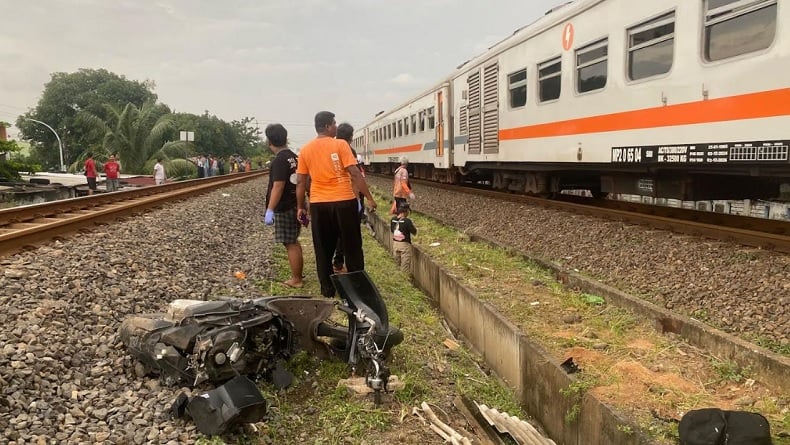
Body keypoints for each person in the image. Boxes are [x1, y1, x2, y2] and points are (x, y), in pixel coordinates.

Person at [296, 111, 377, 299]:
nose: (336, 126)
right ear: (326, 126)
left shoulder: (305, 150)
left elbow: (301, 182)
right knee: (352, 247)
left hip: (318, 204)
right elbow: (355, 174)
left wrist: (301, 206)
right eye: (333, 123)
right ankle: (357, 289)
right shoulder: (340, 144)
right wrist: (369, 198)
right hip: (344, 202)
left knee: (323, 248)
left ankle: (327, 289)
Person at [263, 123, 304, 288]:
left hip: (284, 206)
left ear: (269, 141)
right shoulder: (294, 157)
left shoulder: (279, 160)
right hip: (294, 203)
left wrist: (270, 209)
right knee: (294, 240)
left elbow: (278, 186)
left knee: (289, 243)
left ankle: (296, 279)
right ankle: (298, 274)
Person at [332, 122, 367, 273]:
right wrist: (360, 199)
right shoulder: (348, 150)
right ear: (351, 137)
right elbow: (354, 176)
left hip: (334, 197)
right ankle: (344, 264)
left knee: (338, 232)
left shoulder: (331, 148)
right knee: (349, 234)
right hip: (349, 197)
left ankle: (338, 262)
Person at [390, 202, 417, 273]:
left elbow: (392, 230)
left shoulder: (393, 219)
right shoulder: (407, 221)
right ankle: (404, 279)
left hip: (395, 244)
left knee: (396, 265)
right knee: (404, 268)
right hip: (404, 246)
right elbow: (414, 232)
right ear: (406, 211)